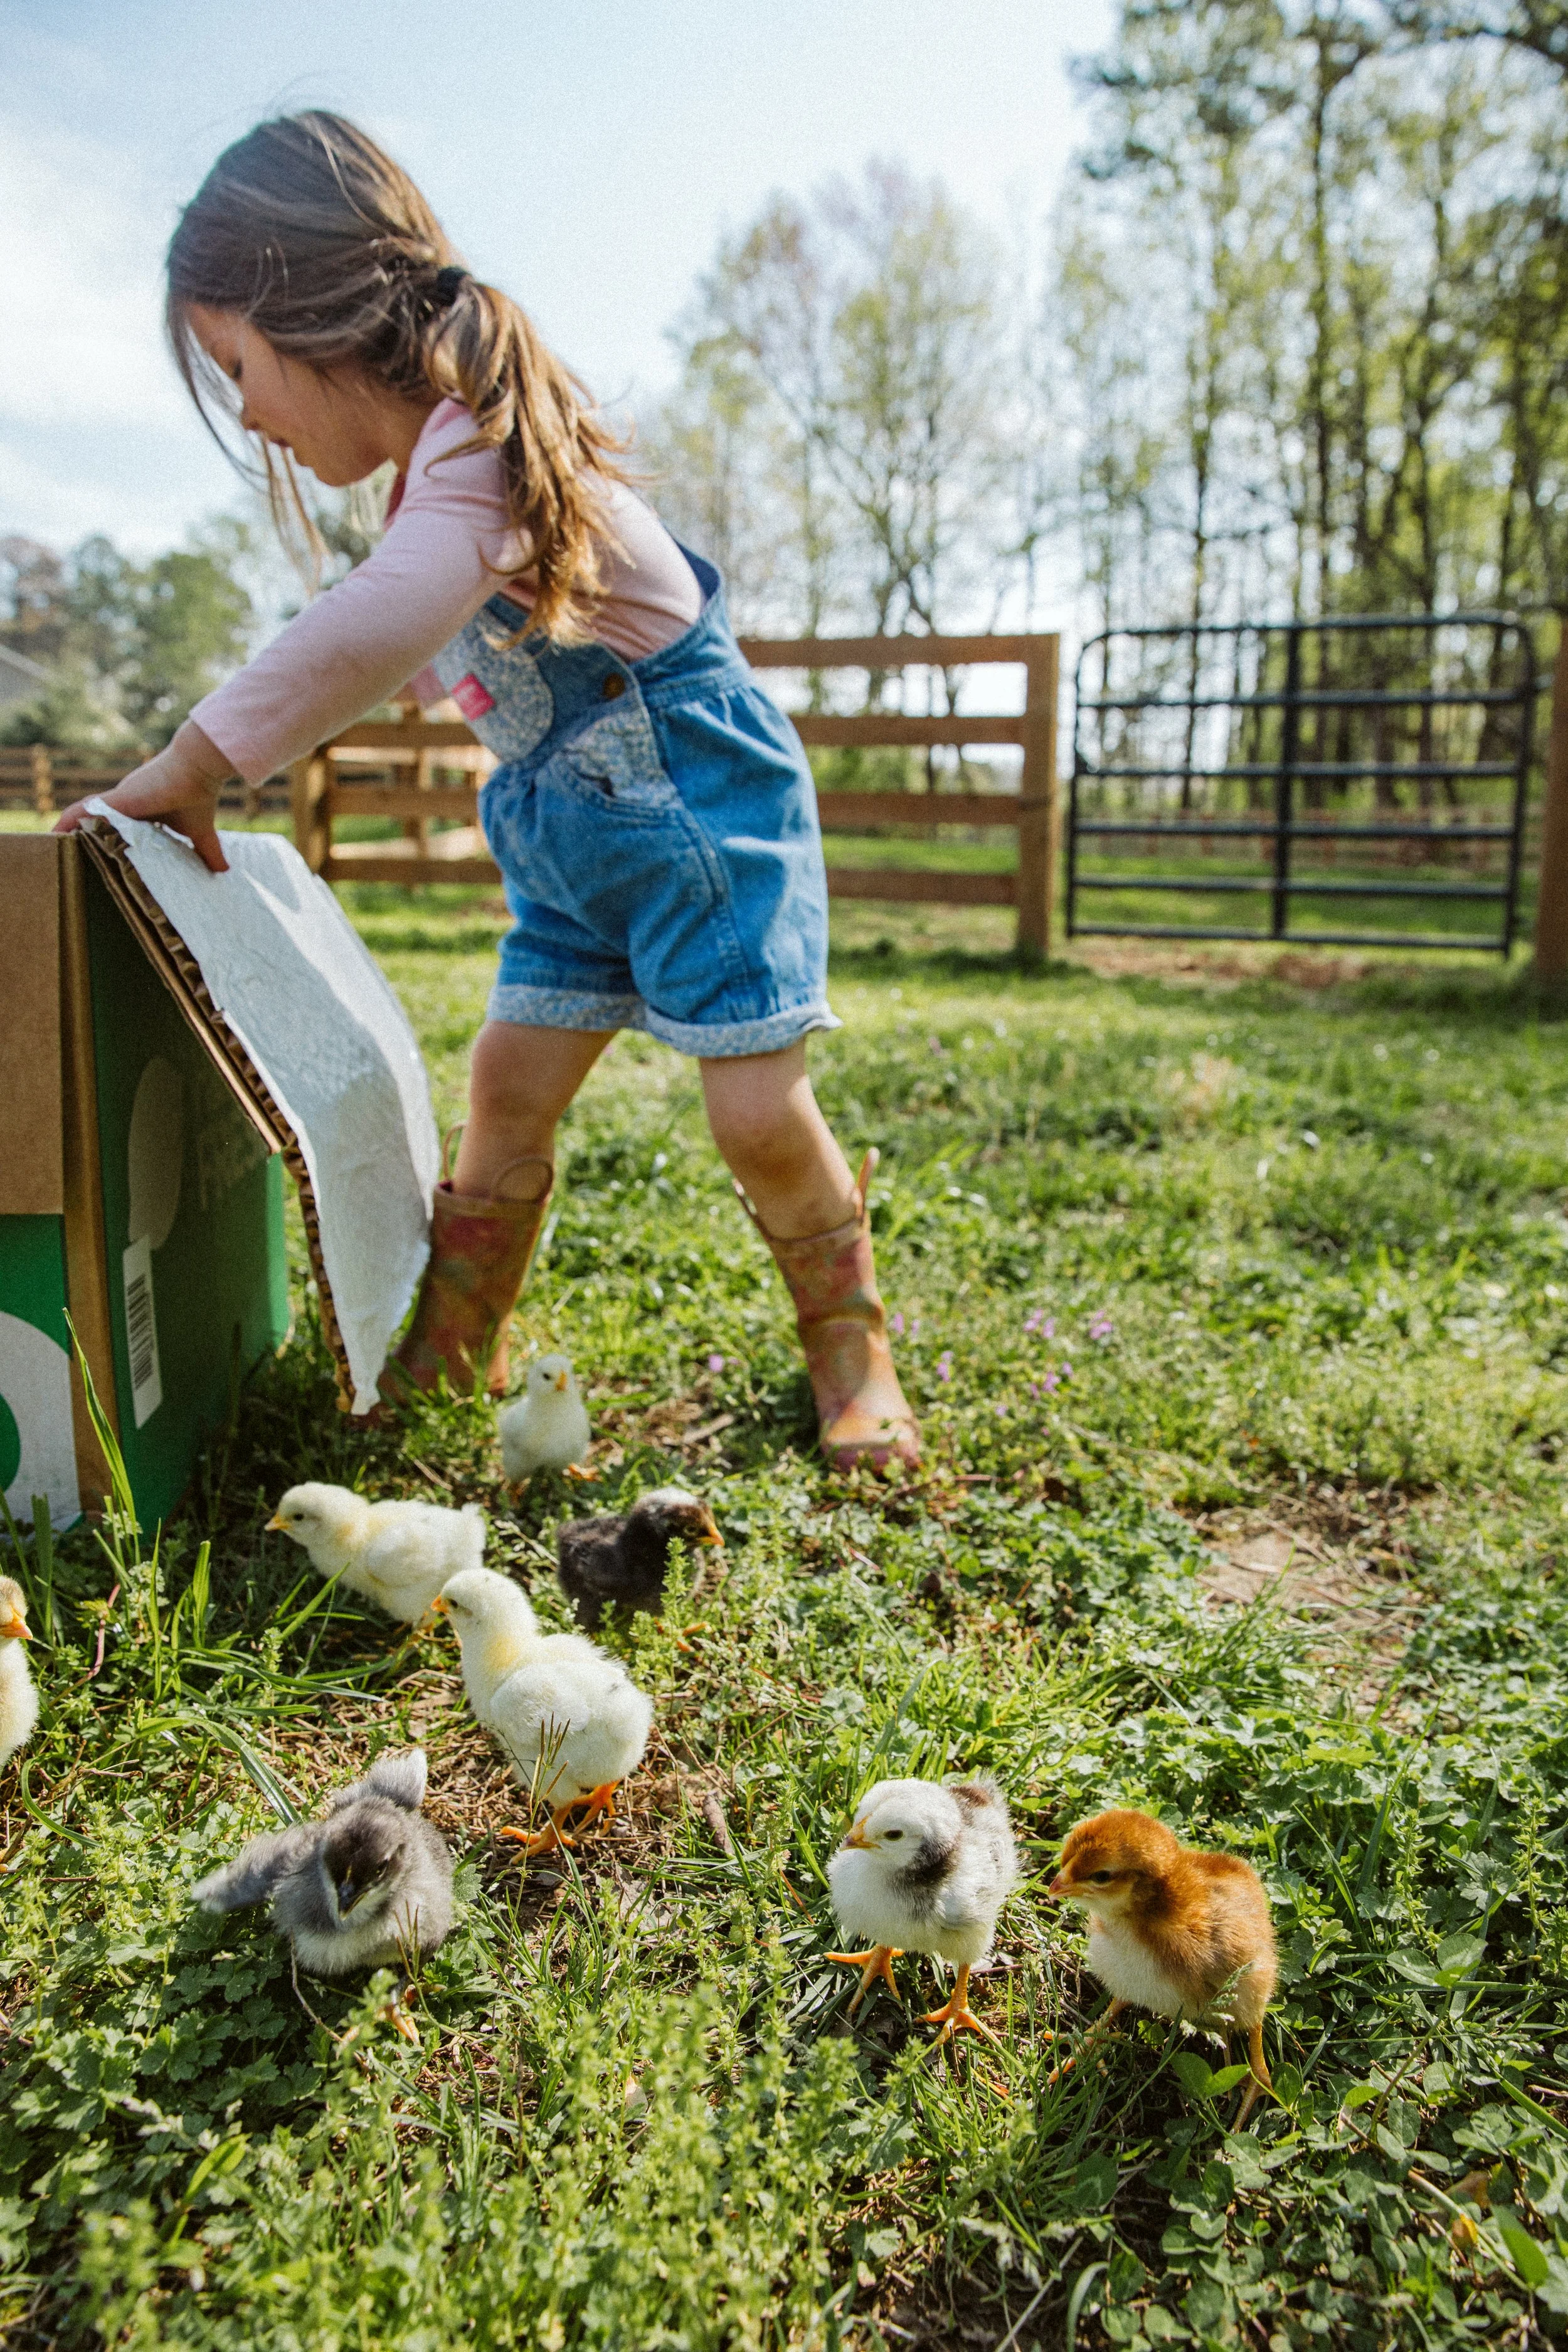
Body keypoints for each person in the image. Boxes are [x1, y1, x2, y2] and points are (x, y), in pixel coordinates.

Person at [55, 112, 918, 1473]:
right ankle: (465, 1332)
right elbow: (424, 642)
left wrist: (197, 757)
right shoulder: (434, 488)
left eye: (237, 365)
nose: (243, 412)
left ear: (309, 307)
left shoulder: (484, 447)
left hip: (700, 819)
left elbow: (382, 618)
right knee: (506, 1083)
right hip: (570, 844)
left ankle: (849, 1341)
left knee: (754, 1114)